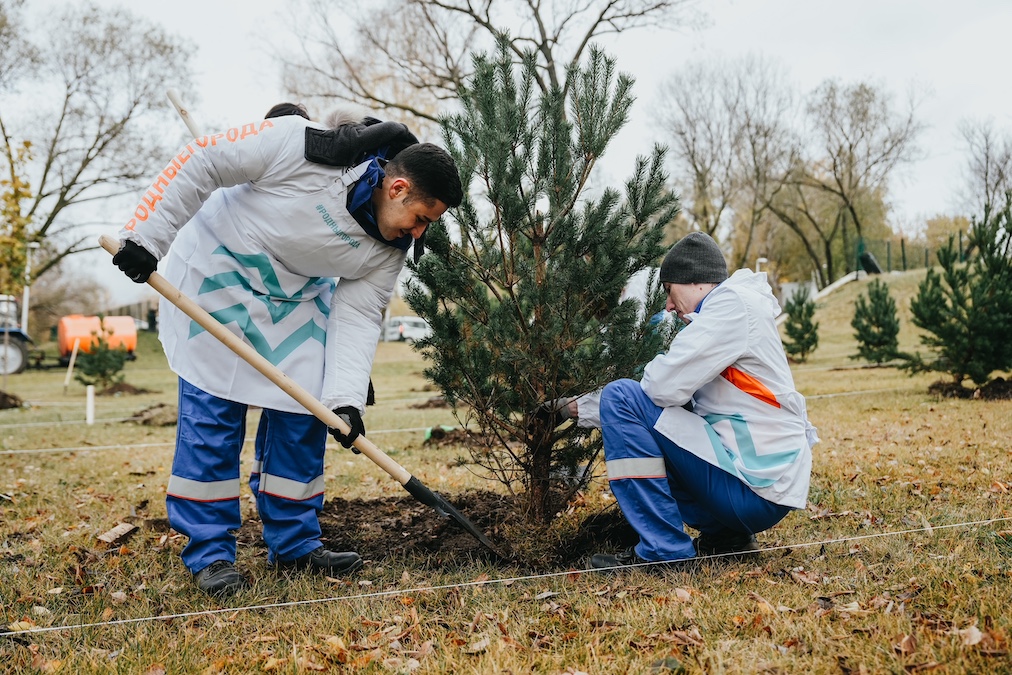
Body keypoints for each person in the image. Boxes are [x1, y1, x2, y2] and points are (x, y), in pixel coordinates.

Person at [111, 103, 462, 596]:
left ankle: (295, 543)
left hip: (293, 298)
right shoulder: (297, 145)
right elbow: (202, 159)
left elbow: (358, 314)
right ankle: (210, 553)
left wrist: (344, 400)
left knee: (308, 411)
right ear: (398, 188)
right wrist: (144, 238)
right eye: (420, 218)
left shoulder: (389, 248)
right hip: (218, 274)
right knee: (214, 418)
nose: (419, 233)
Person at [547, 232, 817, 569]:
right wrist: (578, 408)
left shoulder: (730, 307)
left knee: (620, 396)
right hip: (759, 482)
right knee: (654, 410)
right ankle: (727, 537)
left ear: (692, 282)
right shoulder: (732, 310)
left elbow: (660, 387)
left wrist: (584, 405)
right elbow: (665, 403)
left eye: (669, 292)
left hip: (755, 488)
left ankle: (665, 552)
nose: (669, 306)